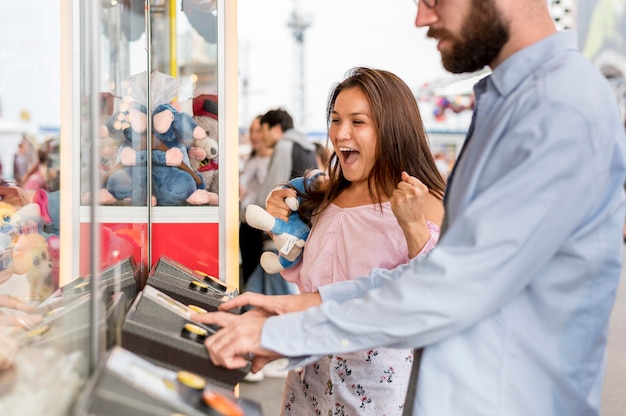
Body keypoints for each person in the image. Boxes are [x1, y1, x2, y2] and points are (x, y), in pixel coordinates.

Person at [193, 0, 626, 415]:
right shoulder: (514, 101)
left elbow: (451, 285)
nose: (421, 17)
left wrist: (285, 331)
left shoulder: (557, 108)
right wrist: (303, 305)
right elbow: (420, 277)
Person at [278, 67, 444, 414]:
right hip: (309, 371)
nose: (340, 133)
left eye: (357, 122)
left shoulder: (427, 203)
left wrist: (413, 226)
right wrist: (282, 217)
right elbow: (306, 277)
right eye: (336, 120)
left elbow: (435, 295)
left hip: (377, 387)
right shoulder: (328, 195)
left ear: (392, 129)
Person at [244, 108, 317, 299]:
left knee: (278, 291)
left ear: (275, 129)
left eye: (263, 130)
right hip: (302, 226)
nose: (261, 135)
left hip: (283, 228)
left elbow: (273, 188)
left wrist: (255, 209)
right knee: (258, 286)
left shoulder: (284, 146)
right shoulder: (306, 146)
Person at [239, 115, 273, 286]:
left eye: (258, 131)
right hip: (246, 224)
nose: (254, 135)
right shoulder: (250, 159)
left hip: (263, 226)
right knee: (249, 272)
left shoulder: (274, 161)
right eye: (252, 131)